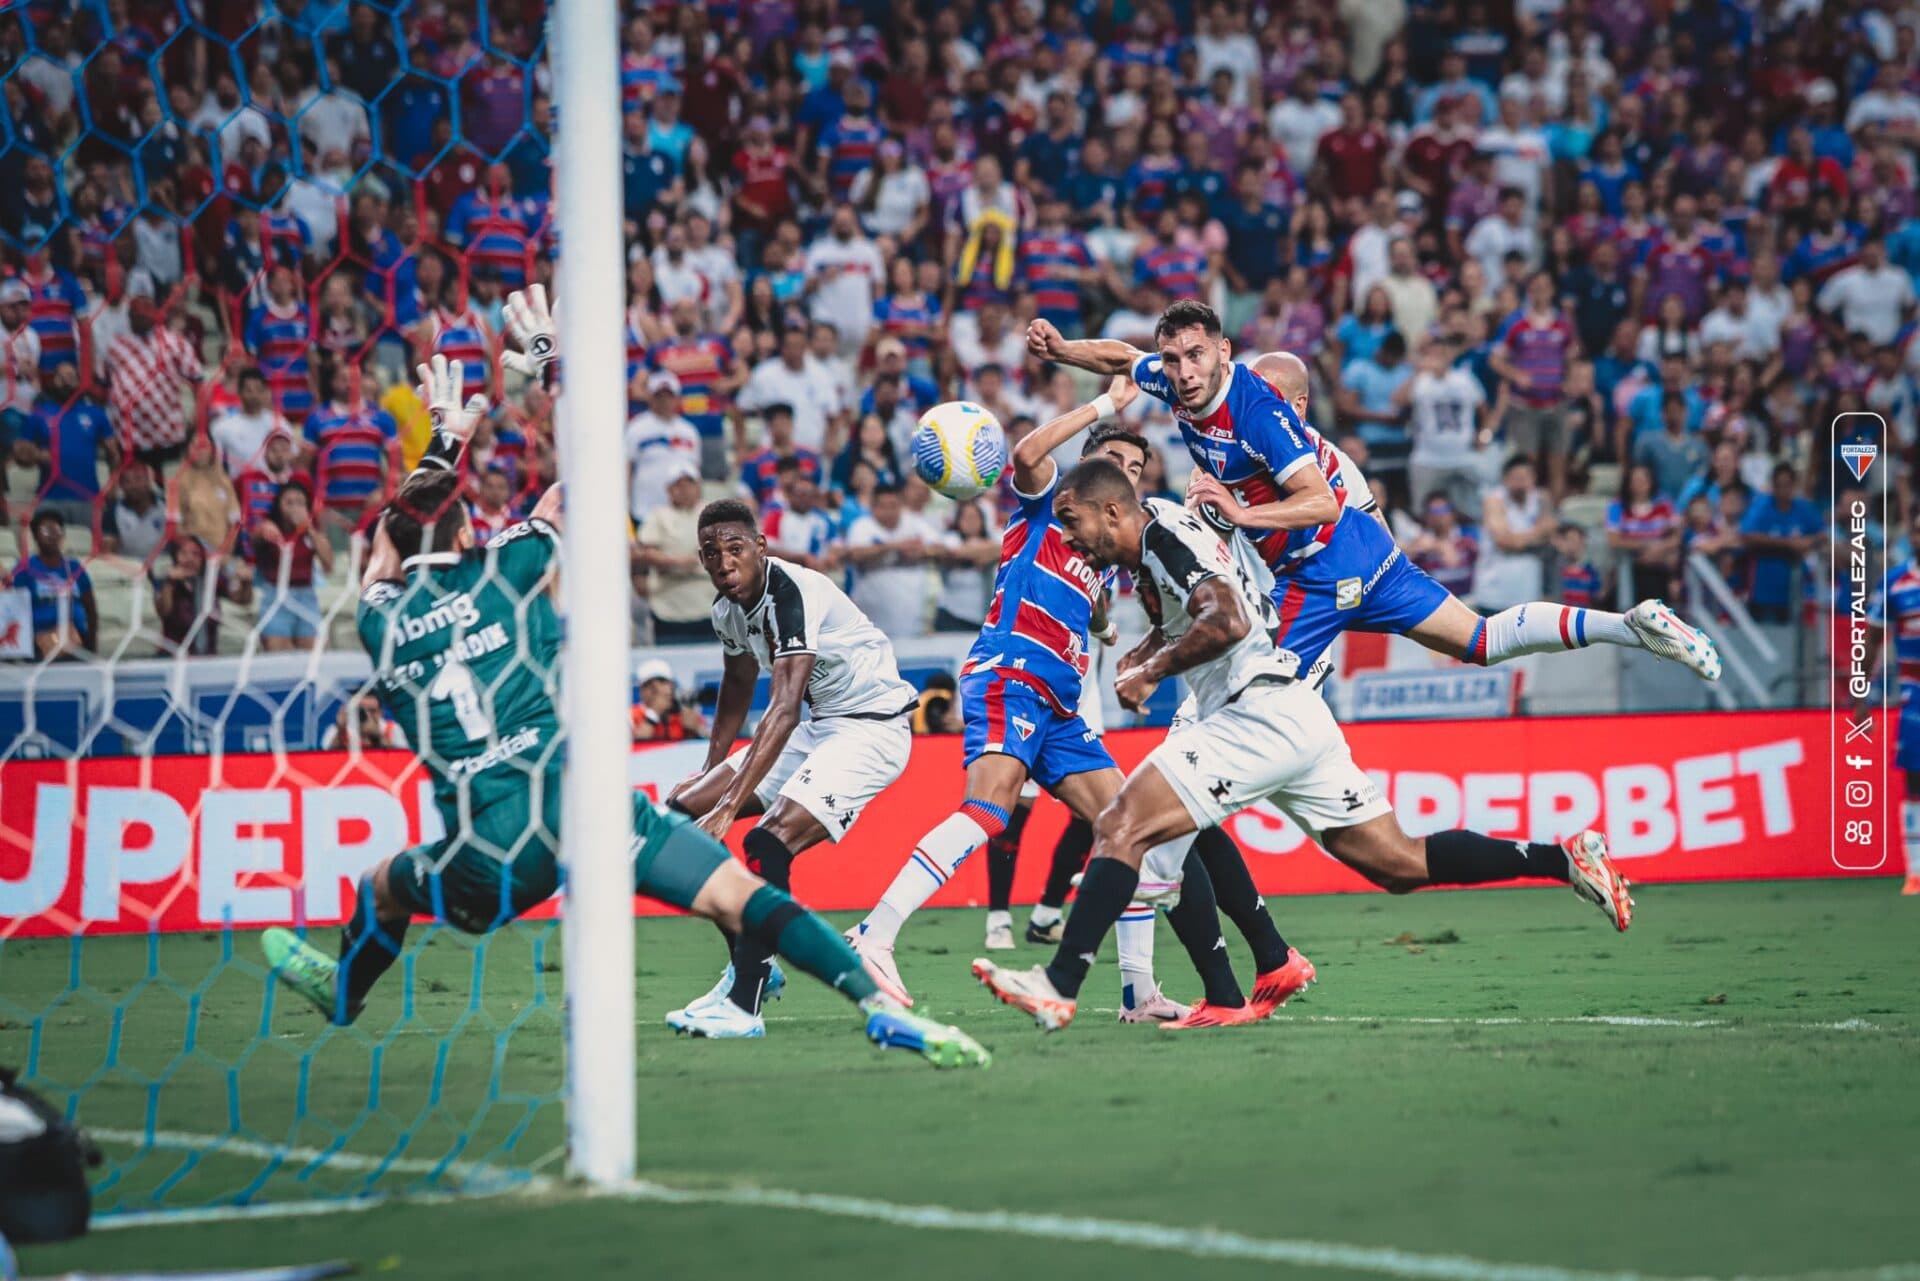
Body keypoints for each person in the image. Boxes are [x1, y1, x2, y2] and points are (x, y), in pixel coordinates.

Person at [261, 346, 985, 1070]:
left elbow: (393, 547)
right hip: (586, 809)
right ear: (465, 538)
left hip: (493, 853)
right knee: (729, 873)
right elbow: (576, 491)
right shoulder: (509, 570)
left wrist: (444, 441)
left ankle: (349, 987)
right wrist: (555, 373)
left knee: (383, 885)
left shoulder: (379, 617)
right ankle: (871, 1003)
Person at [972, 458, 1635, 1031]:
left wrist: (1151, 670)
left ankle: (1059, 985)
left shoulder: (1166, 539)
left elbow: (1225, 619)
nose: (1067, 537)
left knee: (1121, 822)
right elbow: (1201, 614)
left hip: (1253, 713)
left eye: (1073, 521)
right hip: (1295, 713)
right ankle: (1562, 857)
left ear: (1111, 510)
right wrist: (1147, 649)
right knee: (1396, 863)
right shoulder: (1153, 544)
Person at [846, 381, 1301, 1026]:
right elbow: (1028, 452)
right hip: (1013, 670)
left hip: (1063, 697)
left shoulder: (1113, 550)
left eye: (1138, 471)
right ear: (1088, 471)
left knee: (1131, 829)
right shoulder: (1051, 508)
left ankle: (1139, 993)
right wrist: (1106, 405)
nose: (1129, 476)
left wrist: (1112, 635)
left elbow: (1090, 604)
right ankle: (876, 933)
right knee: (990, 808)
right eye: (1118, 462)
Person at [1025, 302, 1721, 691]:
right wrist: (1063, 351)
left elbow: (1322, 501)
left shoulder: (1258, 412)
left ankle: (1156, 858)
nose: (1181, 372)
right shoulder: (1178, 381)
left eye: (1195, 356)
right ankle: (1631, 623)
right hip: (1357, 551)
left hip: (1322, 565)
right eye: (1173, 360)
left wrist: (1239, 512)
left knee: (1254, 700)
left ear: (1226, 352)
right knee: (1480, 639)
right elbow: (1122, 358)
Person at [661, 497, 922, 1039]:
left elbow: (781, 706)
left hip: (871, 728)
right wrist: (711, 770)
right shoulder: (726, 609)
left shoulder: (791, 592)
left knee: (767, 841)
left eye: (735, 549)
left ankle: (744, 1005)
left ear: (760, 548)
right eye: (711, 554)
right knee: (677, 819)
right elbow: (737, 687)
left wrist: (731, 802)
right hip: (820, 725)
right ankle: (755, 962)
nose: (724, 563)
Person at [1860, 504, 1920, 895]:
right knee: (1915, 783)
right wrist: (1861, 692)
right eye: (1917, 531)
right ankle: (1915, 871)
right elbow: (1872, 640)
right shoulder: (1895, 584)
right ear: (1909, 535)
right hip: (1916, 696)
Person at [841, 483, 938, 639]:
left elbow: (941, 549)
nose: (889, 512)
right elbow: (855, 554)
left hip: (912, 617)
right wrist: (895, 547)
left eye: (893, 506)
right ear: (873, 507)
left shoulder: (913, 522)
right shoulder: (862, 526)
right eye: (883, 506)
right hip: (872, 620)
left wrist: (923, 552)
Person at [635, 462, 715, 644]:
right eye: (678, 485)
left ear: (698, 487)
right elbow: (646, 552)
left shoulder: (713, 513)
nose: (684, 489)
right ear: (669, 490)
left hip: (708, 606)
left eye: (689, 483)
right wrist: (678, 562)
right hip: (669, 607)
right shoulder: (658, 515)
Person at [251, 479, 333, 652]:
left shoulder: (312, 533)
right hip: (276, 597)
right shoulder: (269, 528)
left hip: (307, 598)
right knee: (280, 659)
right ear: (278, 505)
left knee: (317, 655)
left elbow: (328, 564)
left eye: (300, 503)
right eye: (289, 503)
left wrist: (308, 528)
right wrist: (264, 529)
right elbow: (256, 536)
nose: (294, 507)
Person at [1739, 462, 1822, 625]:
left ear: (1794, 485)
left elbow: (1822, 534)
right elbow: (1747, 535)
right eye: (1779, 485)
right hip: (1764, 592)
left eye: (1787, 485)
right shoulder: (1762, 506)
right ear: (1773, 486)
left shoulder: (1802, 508)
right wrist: (1788, 544)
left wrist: (1809, 541)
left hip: (1795, 592)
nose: (1783, 490)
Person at [9, 508, 96, 658]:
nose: (52, 536)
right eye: (46, 531)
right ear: (36, 536)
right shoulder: (25, 569)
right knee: (57, 640)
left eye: (56, 530)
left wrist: (93, 644)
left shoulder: (74, 567)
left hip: (76, 635)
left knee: (70, 636)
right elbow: (15, 609)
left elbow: (90, 607)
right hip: (40, 636)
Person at [153, 534, 249, 657]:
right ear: (175, 556)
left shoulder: (212, 582)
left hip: (208, 659)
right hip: (174, 659)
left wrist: (246, 582)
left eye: (195, 554)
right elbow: (163, 611)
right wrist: (169, 584)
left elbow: (242, 600)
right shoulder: (166, 582)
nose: (189, 559)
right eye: (183, 553)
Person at [931, 499, 999, 633]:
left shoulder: (995, 536)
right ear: (958, 521)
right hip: (954, 615)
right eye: (966, 517)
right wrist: (986, 552)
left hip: (987, 618)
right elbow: (947, 552)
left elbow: (1009, 549)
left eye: (974, 517)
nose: (971, 521)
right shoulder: (950, 539)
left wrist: (979, 550)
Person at [631, 657, 708, 743]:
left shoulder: (684, 713)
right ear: (642, 690)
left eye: (663, 682)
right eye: (650, 686)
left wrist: (696, 729)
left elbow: (710, 740)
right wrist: (654, 713)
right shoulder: (632, 715)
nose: (658, 690)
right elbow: (636, 743)